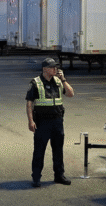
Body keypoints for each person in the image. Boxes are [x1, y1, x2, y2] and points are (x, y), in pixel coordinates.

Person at [26, 58, 75, 188]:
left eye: (56, 67)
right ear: (45, 69)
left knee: (58, 150)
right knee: (39, 151)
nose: (56, 69)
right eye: (53, 67)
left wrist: (64, 79)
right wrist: (30, 121)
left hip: (57, 122)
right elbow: (29, 103)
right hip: (42, 123)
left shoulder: (59, 82)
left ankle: (59, 175)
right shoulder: (36, 83)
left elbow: (71, 94)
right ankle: (36, 178)